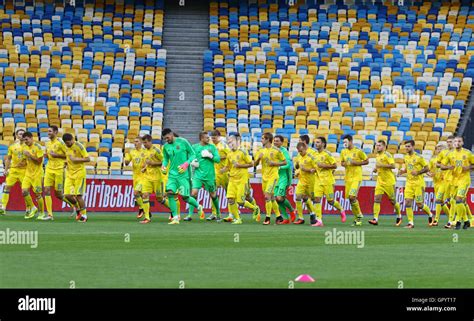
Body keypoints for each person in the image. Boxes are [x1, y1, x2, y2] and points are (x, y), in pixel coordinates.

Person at [161, 128, 202, 225]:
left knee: (185, 197)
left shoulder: (183, 142)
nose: (166, 140)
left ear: (171, 134)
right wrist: (163, 166)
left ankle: (199, 206)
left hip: (184, 175)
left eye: (167, 138)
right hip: (172, 175)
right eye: (165, 139)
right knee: (170, 193)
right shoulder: (166, 147)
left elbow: (193, 154)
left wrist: (186, 164)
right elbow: (166, 159)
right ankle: (175, 218)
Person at [222, 133, 260, 224]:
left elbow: (251, 164)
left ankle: (255, 208)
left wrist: (240, 165)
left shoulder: (243, 152)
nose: (230, 143)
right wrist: (222, 170)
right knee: (230, 199)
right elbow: (227, 166)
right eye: (228, 142)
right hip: (232, 179)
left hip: (242, 180)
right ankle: (238, 218)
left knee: (240, 201)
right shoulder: (229, 154)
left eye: (231, 141)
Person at [185, 131, 221, 221]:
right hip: (197, 175)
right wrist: (192, 162)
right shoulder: (194, 147)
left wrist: (210, 156)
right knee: (193, 193)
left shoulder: (212, 147)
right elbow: (189, 157)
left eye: (208, 137)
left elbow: (218, 159)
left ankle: (218, 213)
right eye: (206, 138)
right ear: (201, 138)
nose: (209, 139)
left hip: (209, 176)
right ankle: (190, 215)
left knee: (213, 195)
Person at [43, 125, 76, 220]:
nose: (48, 133)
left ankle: (73, 205)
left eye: (50, 131)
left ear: (56, 132)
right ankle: (50, 215)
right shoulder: (47, 143)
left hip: (59, 170)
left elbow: (67, 155)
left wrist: (56, 155)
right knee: (46, 190)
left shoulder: (61, 143)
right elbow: (49, 155)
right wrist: (46, 155)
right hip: (49, 168)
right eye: (48, 131)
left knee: (59, 194)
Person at [254, 133, 287, 225]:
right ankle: (279, 217)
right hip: (264, 177)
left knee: (267, 197)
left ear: (268, 139)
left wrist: (274, 163)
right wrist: (258, 159)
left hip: (273, 177)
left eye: (262, 138)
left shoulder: (276, 150)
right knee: (271, 198)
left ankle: (267, 217)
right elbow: (254, 165)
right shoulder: (260, 151)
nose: (261, 140)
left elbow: (285, 162)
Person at [398, 140, 432, 228]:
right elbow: (407, 168)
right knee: (407, 202)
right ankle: (411, 223)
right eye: (406, 146)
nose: (406, 148)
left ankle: (430, 214)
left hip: (418, 183)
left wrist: (418, 172)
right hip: (409, 183)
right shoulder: (405, 157)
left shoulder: (419, 157)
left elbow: (427, 168)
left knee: (419, 204)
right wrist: (402, 171)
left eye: (408, 146)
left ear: (413, 147)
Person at [312, 137, 345, 227]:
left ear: (323, 144)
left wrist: (324, 165)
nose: (316, 144)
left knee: (330, 201)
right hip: (318, 180)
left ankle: (341, 209)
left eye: (318, 142)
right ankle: (319, 220)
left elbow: (334, 166)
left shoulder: (327, 154)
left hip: (328, 181)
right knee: (317, 199)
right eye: (315, 142)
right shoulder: (314, 154)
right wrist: (313, 169)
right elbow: (316, 167)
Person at [442, 136, 473, 230]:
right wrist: (448, 167)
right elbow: (442, 166)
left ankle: (458, 221)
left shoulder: (468, 153)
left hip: (464, 180)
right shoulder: (450, 154)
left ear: (462, 143)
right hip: (454, 180)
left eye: (459, 141)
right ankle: (467, 221)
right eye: (455, 141)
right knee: (460, 202)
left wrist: (468, 168)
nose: (457, 143)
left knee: (459, 199)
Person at [368, 140, 401, 225]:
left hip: (389, 182)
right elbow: (379, 166)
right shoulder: (377, 155)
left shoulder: (387, 155)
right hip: (380, 181)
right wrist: (376, 169)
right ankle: (375, 219)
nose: (377, 147)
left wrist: (381, 166)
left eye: (379, 145)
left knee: (393, 201)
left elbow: (393, 166)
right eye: (376, 145)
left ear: (383, 146)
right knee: (376, 199)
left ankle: (399, 215)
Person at [139, 134, 170, 224]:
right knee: (144, 195)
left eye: (145, 142)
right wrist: (145, 167)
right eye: (143, 143)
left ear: (150, 141)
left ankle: (173, 210)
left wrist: (153, 163)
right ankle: (147, 217)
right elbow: (147, 162)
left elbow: (164, 161)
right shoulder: (144, 151)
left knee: (160, 198)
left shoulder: (156, 150)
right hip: (147, 177)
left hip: (157, 178)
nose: (144, 144)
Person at [0, 129, 30, 216]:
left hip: (24, 171)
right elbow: (8, 159)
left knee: (25, 190)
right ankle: (3, 208)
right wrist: (6, 170)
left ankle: (28, 209)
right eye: (20, 134)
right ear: (16, 136)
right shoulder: (12, 146)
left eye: (23, 134)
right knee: (6, 188)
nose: (22, 135)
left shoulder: (28, 146)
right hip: (13, 170)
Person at [63, 133, 90, 222]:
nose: (68, 144)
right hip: (69, 174)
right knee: (67, 195)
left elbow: (87, 159)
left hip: (79, 173)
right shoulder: (65, 147)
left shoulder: (79, 146)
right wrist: (66, 163)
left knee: (78, 195)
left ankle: (84, 215)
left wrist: (76, 160)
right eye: (66, 143)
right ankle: (78, 209)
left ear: (72, 139)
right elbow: (68, 157)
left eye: (69, 142)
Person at [340, 135, 367, 225]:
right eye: (344, 142)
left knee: (352, 196)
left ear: (351, 141)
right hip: (348, 178)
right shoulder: (343, 152)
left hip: (356, 177)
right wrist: (345, 164)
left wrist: (357, 163)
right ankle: (358, 218)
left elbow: (366, 161)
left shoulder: (358, 151)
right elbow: (342, 163)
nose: (345, 144)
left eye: (346, 142)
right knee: (351, 199)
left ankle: (359, 214)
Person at [21, 132, 46, 219]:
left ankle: (42, 213)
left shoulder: (38, 147)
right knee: (24, 191)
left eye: (26, 139)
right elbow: (24, 160)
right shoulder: (24, 147)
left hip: (37, 174)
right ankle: (33, 207)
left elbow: (39, 161)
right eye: (24, 140)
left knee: (38, 194)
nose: (25, 141)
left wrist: (30, 155)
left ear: (31, 138)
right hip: (28, 174)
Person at [273, 135, 296, 224]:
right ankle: (285, 218)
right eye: (274, 141)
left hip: (283, 178)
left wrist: (278, 167)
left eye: (277, 141)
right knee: (277, 199)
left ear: (282, 142)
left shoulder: (284, 151)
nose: (275, 142)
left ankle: (291, 210)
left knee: (279, 197)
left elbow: (288, 164)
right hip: (274, 178)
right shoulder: (272, 151)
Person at [208, 130, 230, 220]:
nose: (213, 139)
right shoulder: (210, 145)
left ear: (219, 137)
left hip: (224, 172)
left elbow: (230, 156)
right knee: (213, 192)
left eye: (214, 138)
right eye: (212, 138)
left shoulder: (224, 145)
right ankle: (214, 213)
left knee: (229, 193)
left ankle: (232, 212)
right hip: (214, 172)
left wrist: (217, 157)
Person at [294, 142, 317, 225]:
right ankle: (300, 217)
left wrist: (306, 169)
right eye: (298, 151)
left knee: (312, 199)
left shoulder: (311, 157)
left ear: (305, 148)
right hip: (301, 180)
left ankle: (313, 214)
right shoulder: (298, 156)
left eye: (301, 151)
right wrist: (296, 165)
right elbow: (296, 166)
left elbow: (315, 169)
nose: (300, 153)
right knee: (298, 196)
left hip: (311, 181)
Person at [428, 142, 450, 226]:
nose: (439, 150)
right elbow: (427, 170)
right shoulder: (433, 160)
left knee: (438, 200)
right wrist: (430, 174)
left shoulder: (447, 160)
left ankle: (436, 219)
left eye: (441, 149)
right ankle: (451, 218)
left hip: (444, 183)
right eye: (438, 149)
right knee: (441, 202)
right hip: (436, 183)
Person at [124, 137, 146, 219]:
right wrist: (126, 158)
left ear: (141, 142)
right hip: (135, 177)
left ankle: (142, 209)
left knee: (137, 193)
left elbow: (148, 162)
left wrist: (145, 167)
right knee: (139, 195)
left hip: (144, 176)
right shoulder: (131, 152)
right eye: (134, 141)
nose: (135, 143)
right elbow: (126, 163)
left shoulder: (144, 152)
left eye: (137, 141)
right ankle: (145, 210)